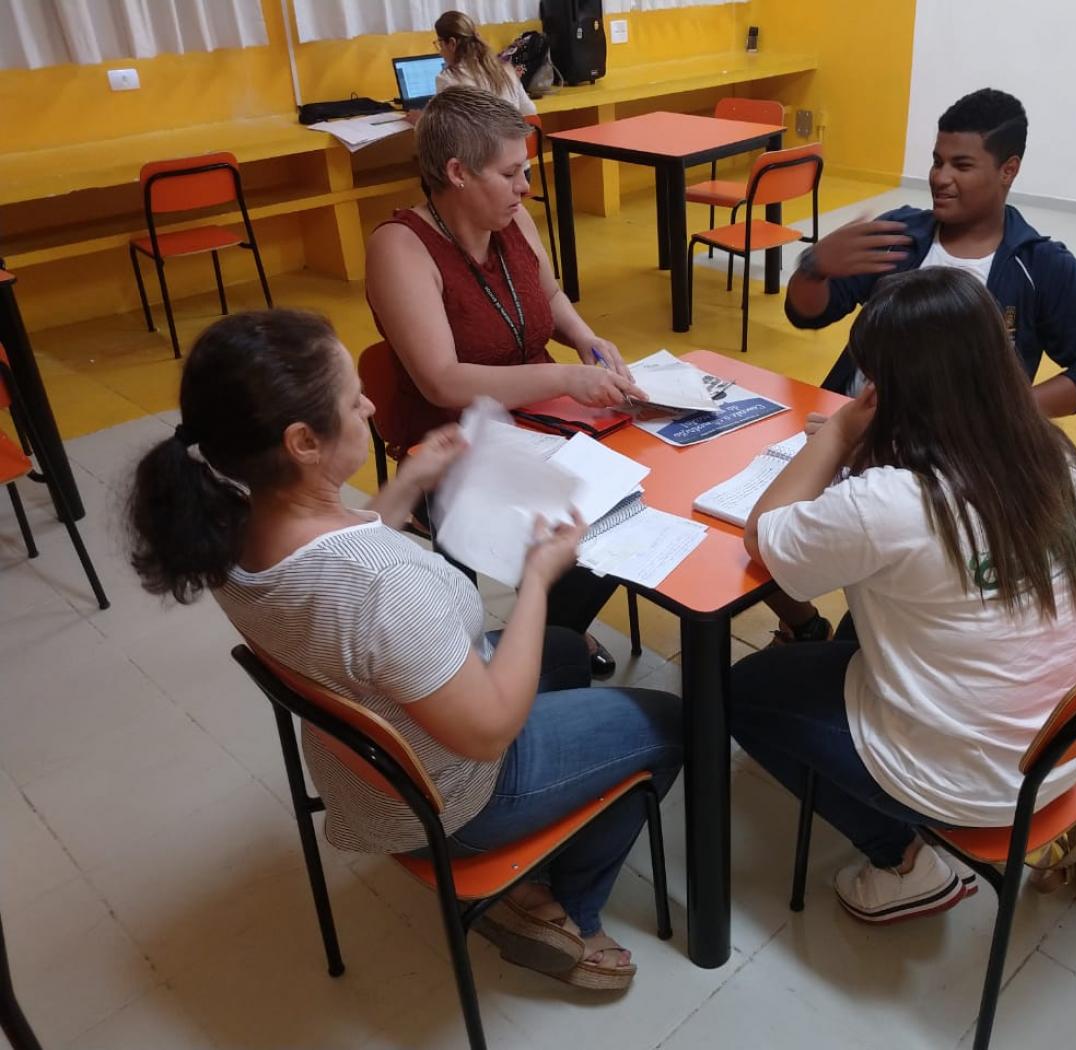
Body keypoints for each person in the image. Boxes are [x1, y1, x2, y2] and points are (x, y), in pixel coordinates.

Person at [127, 309, 681, 989]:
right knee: (672, 721)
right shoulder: (381, 586)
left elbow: (340, 573)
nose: (366, 404)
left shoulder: (228, 530)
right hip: (450, 796)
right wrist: (537, 579)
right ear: (303, 441)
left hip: (369, 769)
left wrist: (408, 487)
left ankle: (548, 844)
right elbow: (486, 731)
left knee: (564, 651)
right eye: (351, 395)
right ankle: (561, 907)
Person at [731, 267, 1076, 924]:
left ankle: (905, 862)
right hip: (1069, 742)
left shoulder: (891, 502)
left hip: (975, 781)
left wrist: (843, 432)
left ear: (895, 389)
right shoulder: (1054, 453)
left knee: (740, 692)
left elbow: (763, 537)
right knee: (867, 620)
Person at [773, 86, 1076, 645]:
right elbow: (807, 313)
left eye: (962, 165)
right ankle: (803, 628)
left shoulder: (1041, 266)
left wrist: (1005, 412)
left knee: (882, 565)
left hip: (943, 463)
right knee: (755, 513)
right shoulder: (902, 235)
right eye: (937, 161)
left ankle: (864, 638)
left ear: (1008, 170)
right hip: (849, 430)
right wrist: (815, 267)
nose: (941, 177)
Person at [366, 87, 643, 676]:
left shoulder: (512, 218)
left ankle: (547, 633)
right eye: (511, 173)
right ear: (457, 172)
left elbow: (548, 296)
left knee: (629, 503)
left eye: (526, 171)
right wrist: (564, 374)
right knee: (583, 518)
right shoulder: (400, 247)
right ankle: (533, 644)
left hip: (537, 418)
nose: (525, 187)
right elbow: (441, 381)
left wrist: (591, 344)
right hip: (450, 442)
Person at [433, 11, 537, 116]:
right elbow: (530, 112)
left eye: (440, 44)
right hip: (512, 132)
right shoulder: (506, 69)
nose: (440, 52)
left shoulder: (447, 80)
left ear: (452, 43)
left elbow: (441, 129)